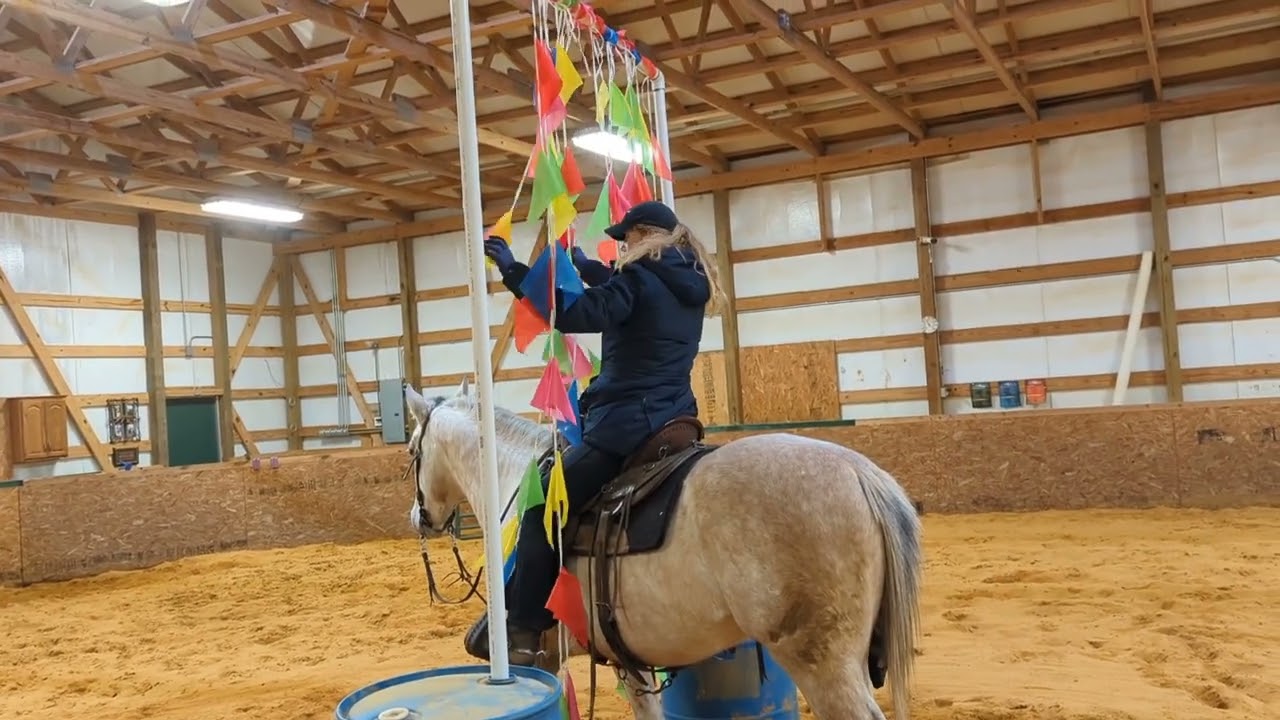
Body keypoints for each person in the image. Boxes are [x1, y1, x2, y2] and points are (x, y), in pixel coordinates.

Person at [481, 200, 727, 665]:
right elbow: (627, 292)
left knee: (541, 508)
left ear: (645, 236)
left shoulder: (639, 279)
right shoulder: (688, 280)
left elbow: (578, 313)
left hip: (626, 424)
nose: (622, 247)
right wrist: (584, 265)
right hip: (675, 420)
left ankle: (524, 629)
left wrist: (514, 271)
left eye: (626, 239)